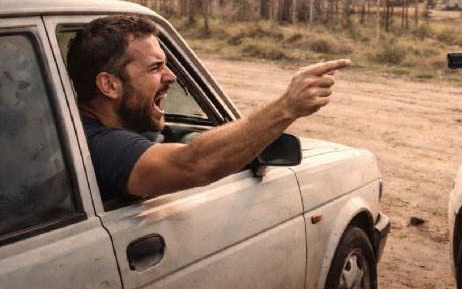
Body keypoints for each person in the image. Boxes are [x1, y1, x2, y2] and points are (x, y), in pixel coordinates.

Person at [67, 14, 349, 201]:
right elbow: (193, 164)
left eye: (167, 65)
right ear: (110, 85)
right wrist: (287, 106)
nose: (171, 77)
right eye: (155, 67)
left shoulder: (71, 133)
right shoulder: (99, 146)